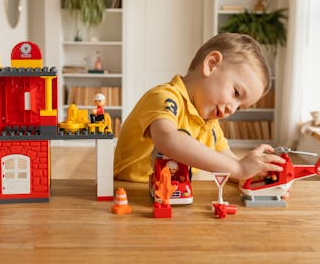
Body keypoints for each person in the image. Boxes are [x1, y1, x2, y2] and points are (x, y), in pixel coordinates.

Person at [113, 33, 285, 184]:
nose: (232, 109)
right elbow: (167, 138)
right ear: (211, 64)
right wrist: (239, 168)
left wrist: (256, 175)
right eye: (236, 92)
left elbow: (230, 166)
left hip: (173, 194)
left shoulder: (210, 125)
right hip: (130, 192)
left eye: (239, 108)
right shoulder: (164, 97)